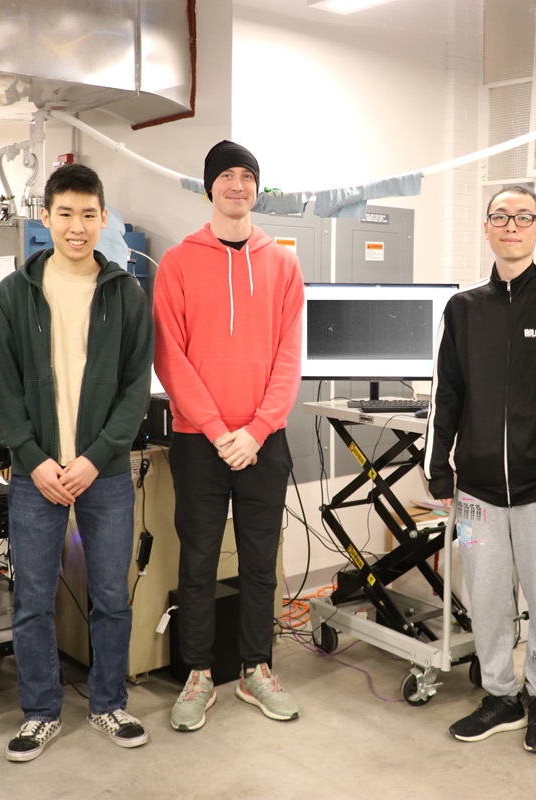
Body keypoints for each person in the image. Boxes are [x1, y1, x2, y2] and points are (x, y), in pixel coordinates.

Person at [424, 185, 536, 754]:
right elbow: (445, 394)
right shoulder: (462, 309)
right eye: (500, 216)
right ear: (487, 227)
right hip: (476, 494)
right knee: (486, 595)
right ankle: (500, 695)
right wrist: (438, 469)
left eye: (524, 217)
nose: (511, 226)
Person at [0, 163, 154, 761]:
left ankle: (109, 704)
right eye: (66, 214)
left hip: (103, 474)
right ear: (46, 217)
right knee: (32, 598)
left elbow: (135, 389)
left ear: (103, 218)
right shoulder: (15, 293)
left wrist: (94, 458)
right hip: (37, 476)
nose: (78, 227)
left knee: (111, 594)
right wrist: (33, 460)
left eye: (89, 215)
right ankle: (40, 712)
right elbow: (4, 392)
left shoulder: (125, 293)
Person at [153, 140, 304, 732]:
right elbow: (172, 357)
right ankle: (196, 673)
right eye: (227, 177)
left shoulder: (283, 263)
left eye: (248, 177)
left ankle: (256, 669)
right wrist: (219, 431)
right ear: (209, 186)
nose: (237, 186)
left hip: (264, 441)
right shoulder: (178, 262)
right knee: (196, 560)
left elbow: (290, 357)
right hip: (200, 441)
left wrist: (258, 429)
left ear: (256, 188)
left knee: (261, 562)